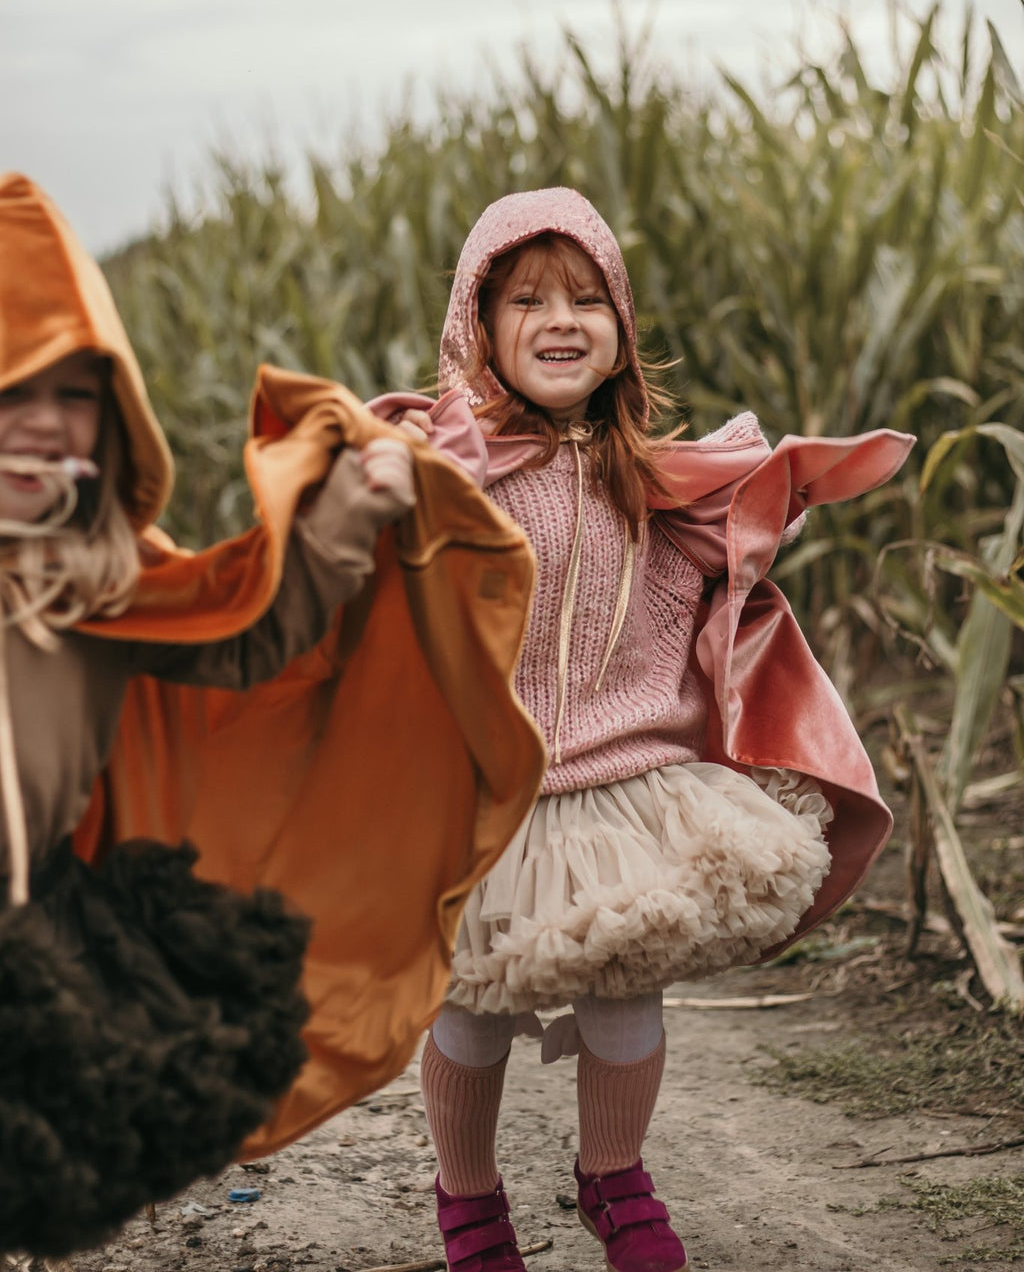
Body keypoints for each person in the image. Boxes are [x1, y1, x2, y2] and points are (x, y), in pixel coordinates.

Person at [373, 187, 914, 1272]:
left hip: (630, 786)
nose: (559, 319)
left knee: (626, 992)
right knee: (471, 1009)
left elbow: (733, 549)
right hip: (489, 794)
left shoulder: (655, 485)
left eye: (586, 297)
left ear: (621, 326)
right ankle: (467, 1195)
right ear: (476, 326)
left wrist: (774, 499)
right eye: (526, 299)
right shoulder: (451, 475)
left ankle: (611, 1173)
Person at [0, 171, 425, 1261]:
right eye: (11, 390)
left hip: (23, 931)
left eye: (74, 394)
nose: (41, 422)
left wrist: (343, 514)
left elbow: (239, 622)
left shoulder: (97, 575)